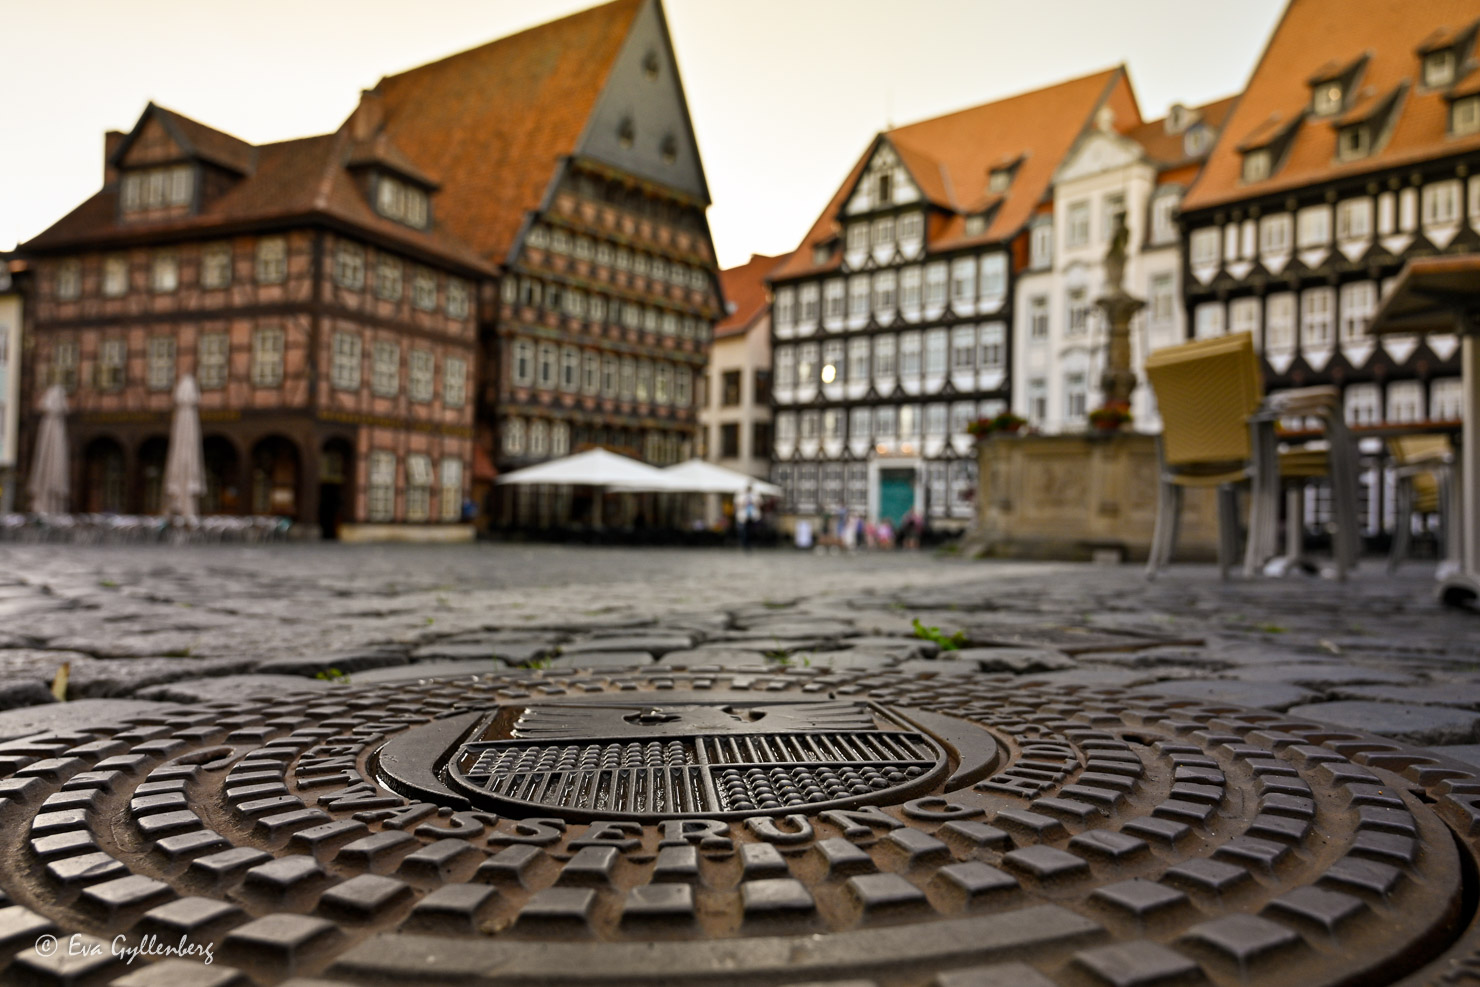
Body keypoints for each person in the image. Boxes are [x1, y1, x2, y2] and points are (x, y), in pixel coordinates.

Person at [737, 484, 759, 552]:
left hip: (752, 515)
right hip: (744, 516)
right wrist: (744, 503)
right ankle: (745, 544)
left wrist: (753, 503)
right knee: (744, 530)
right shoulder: (741, 496)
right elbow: (738, 504)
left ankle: (750, 544)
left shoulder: (755, 496)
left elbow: (758, 503)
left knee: (751, 531)